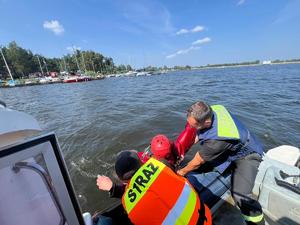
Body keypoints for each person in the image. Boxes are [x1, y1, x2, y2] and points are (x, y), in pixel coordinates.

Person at [176, 101, 265, 225]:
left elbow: (198, 160)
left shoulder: (217, 141)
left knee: (241, 196)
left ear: (206, 122)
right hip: (232, 147)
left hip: (248, 155)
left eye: (195, 125)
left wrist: (181, 172)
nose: (192, 127)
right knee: (200, 163)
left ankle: (256, 222)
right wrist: (182, 151)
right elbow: (196, 134)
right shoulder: (212, 110)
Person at [97, 150, 212, 225]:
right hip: (206, 219)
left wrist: (112, 188)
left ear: (122, 180)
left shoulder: (127, 202)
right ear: (142, 163)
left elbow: (134, 190)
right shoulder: (160, 164)